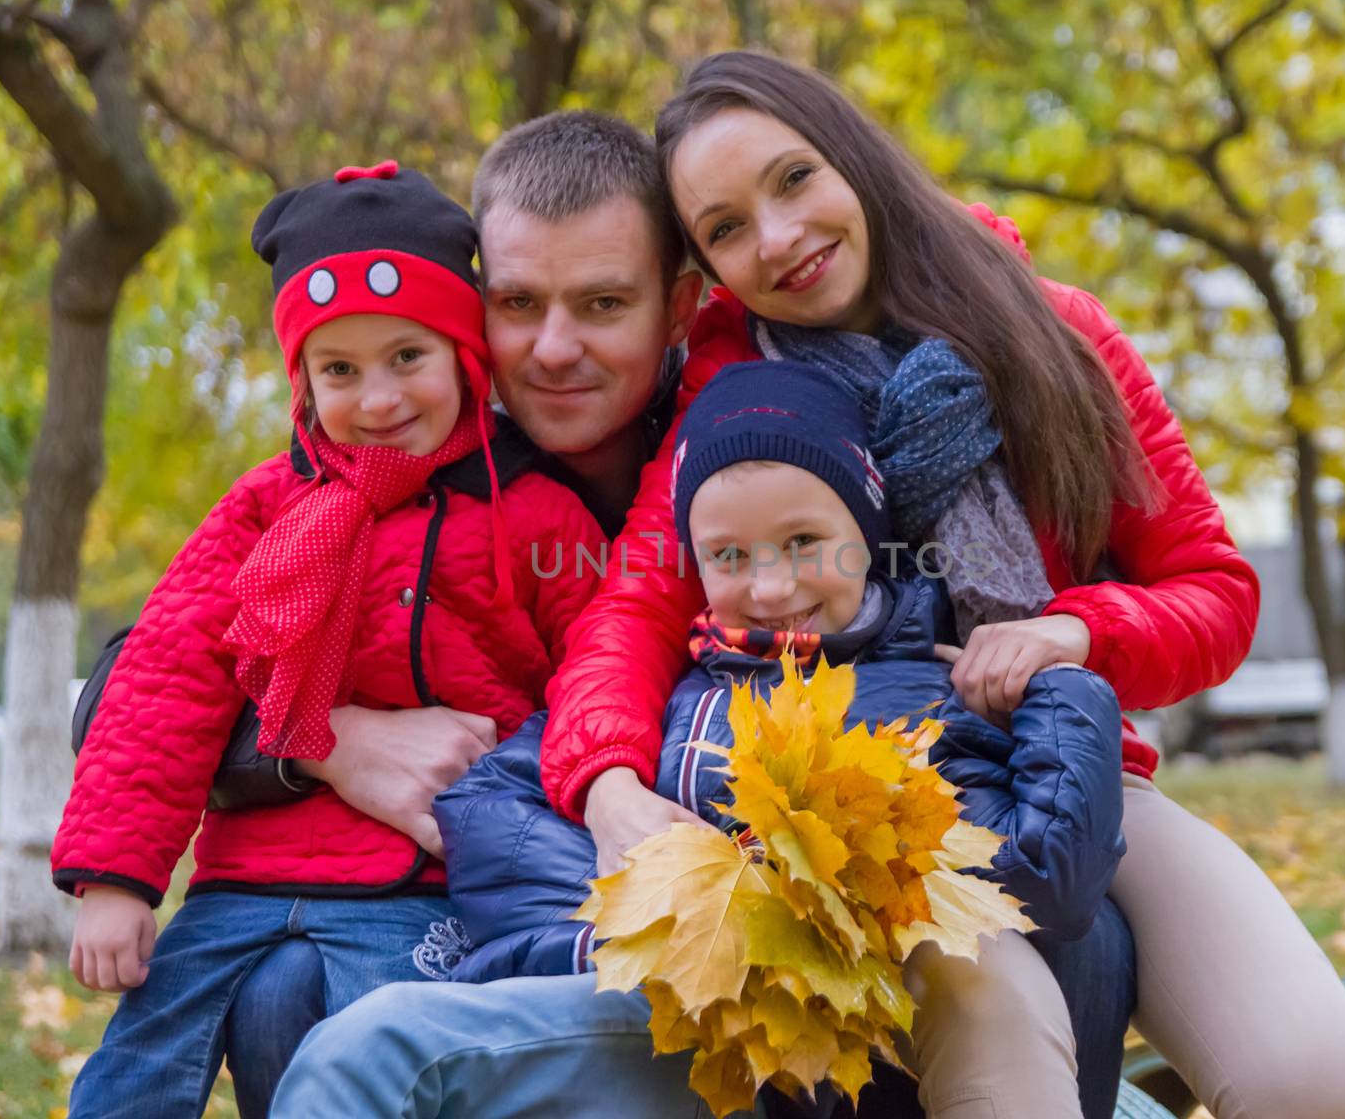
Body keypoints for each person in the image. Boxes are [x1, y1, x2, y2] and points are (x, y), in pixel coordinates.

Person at [534, 51, 1345, 1119]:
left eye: (793, 181)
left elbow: (1211, 593)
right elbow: (629, 612)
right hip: (847, 796)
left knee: (1316, 1078)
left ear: (851, 157)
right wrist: (608, 785)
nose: (780, 239)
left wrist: (1071, 634)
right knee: (999, 1033)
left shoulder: (1056, 334)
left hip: (1062, 764)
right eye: (727, 228)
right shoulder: (738, 389)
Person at [268, 112, 1138, 1119]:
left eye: (601, 302)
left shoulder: (762, 440)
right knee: (299, 993)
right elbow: (155, 670)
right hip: (504, 895)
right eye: (517, 303)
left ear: (678, 307)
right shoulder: (393, 449)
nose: (554, 349)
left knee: (1085, 939)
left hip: (772, 892)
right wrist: (316, 743)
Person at [50, 161, 604, 1119]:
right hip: (244, 878)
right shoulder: (270, 508)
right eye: (339, 369)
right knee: (132, 1075)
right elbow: (164, 679)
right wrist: (113, 880)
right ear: (303, 381)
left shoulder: (532, 513)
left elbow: (596, 679)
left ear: (465, 355)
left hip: (423, 883)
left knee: (375, 1071)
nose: (378, 397)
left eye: (407, 357)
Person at [433, 358, 1127, 1119]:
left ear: (866, 537)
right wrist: (669, 909)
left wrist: (1062, 693)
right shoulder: (671, 699)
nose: (769, 588)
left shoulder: (932, 694)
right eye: (729, 556)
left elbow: (1043, 881)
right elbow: (487, 819)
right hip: (679, 1046)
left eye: (803, 542)